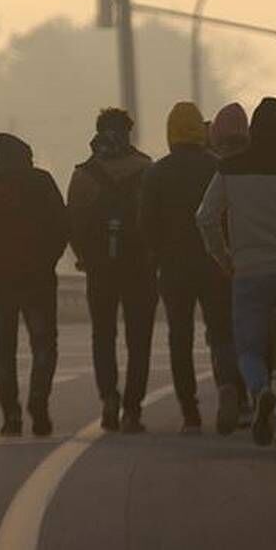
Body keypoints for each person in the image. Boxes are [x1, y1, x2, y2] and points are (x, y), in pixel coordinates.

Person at [197, 98, 276, 452]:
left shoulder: (231, 168)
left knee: (249, 349)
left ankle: (259, 390)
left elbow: (205, 216)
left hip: (248, 271)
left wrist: (223, 257)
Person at [139, 102, 246, 435]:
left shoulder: (156, 173)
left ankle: (190, 411)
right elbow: (231, 216)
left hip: (173, 268)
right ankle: (229, 387)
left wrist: (156, 255)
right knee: (222, 333)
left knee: (180, 337)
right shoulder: (218, 167)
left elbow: (146, 225)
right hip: (215, 264)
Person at [0, 133, 68, 437]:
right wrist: (48, 260)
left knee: (3, 348)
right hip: (38, 280)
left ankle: (11, 415)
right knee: (44, 343)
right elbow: (62, 226)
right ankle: (38, 402)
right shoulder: (41, 184)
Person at [67, 108, 157, 434]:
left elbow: (73, 226)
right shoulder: (148, 169)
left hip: (100, 270)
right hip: (140, 269)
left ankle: (108, 399)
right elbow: (156, 220)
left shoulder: (83, 175)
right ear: (129, 132)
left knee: (103, 336)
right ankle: (133, 410)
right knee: (139, 340)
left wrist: (84, 258)